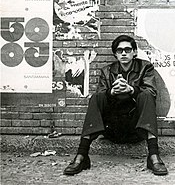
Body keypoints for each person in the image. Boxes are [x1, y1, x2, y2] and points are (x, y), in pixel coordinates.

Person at [63, 35, 168, 176]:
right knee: (97, 97)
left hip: (136, 128)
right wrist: (111, 92)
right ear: (115, 54)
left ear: (134, 52)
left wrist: (131, 90)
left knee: (147, 95)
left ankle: (153, 156)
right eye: (119, 51)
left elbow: (151, 92)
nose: (123, 53)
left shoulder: (145, 67)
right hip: (112, 128)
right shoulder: (107, 71)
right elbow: (100, 98)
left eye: (127, 50)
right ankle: (81, 156)